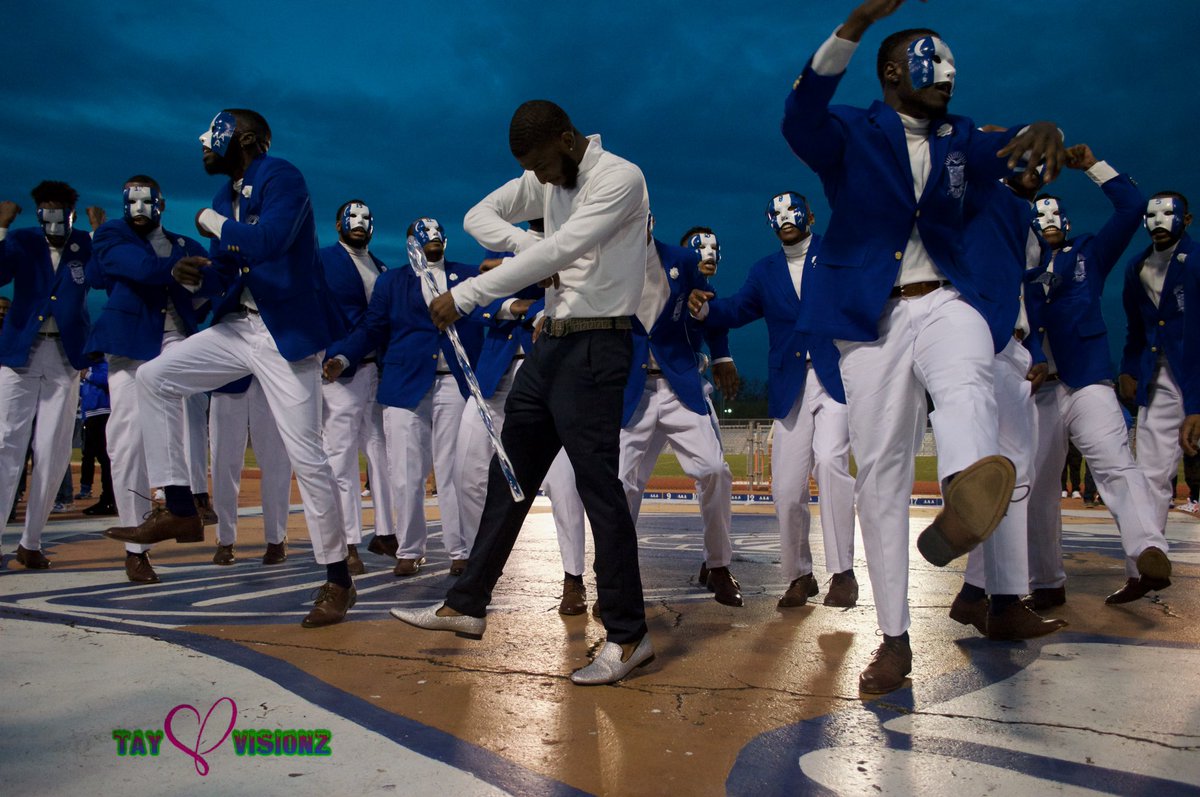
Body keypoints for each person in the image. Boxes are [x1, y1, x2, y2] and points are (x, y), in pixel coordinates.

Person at [782, 0, 1065, 693]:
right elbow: (799, 117)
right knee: (880, 474)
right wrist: (851, 28)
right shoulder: (850, 131)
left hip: (945, 296)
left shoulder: (960, 136)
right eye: (931, 62)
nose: (947, 74)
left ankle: (968, 491)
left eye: (952, 65)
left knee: (968, 378)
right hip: (870, 317)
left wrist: (1043, 132)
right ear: (890, 72)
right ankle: (895, 639)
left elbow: (1011, 152)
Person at [393, 100, 655, 686]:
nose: (537, 179)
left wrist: (468, 294)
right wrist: (525, 244)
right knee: (508, 476)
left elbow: (560, 251)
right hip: (551, 345)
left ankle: (629, 635)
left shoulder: (620, 178)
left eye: (540, 165)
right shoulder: (548, 179)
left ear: (566, 138)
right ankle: (467, 603)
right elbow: (477, 217)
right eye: (529, 171)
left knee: (598, 491)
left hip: (597, 345)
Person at [104, 109, 353, 626]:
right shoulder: (224, 198)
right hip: (239, 325)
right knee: (154, 377)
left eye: (213, 130)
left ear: (244, 138)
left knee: (307, 456)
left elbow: (270, 241)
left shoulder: (281, 175)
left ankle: (338, 579)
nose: (202, 139)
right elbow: (231, 268)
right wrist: (196, 275)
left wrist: (210, 223)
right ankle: (179, 504)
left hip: (284, 333)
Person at [690, 192, 858, 608]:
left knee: (831, 462)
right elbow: (736, 309)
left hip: (834, 376)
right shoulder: (764, 271)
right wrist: (702, 309)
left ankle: (843, 573)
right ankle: (800, 575)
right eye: (776, 213)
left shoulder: (835, 255)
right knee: (784, 487)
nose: (785, 217)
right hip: (789, 385)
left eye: (793, 210)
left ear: (810, 215)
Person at [1023, 145, 1171, 607]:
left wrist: (1092, 167)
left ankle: (1148, 551)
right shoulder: (1017, 264)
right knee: (1038, 488)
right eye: (1039, 214)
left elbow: (1131, 208)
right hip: (1038, 390)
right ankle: (1046, 583)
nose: (1048, 219)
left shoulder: (1089, 251)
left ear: (1067, 222)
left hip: (1087, 380)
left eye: (1055, 213)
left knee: (1114, 463)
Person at [324, 217, 483, 576]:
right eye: (423, 236)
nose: (433, 239)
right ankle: (410, 548)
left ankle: (461, 550)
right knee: (406, 472)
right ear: (410, 244)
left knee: (453, 469)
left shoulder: (468, 276)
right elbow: (372, 327)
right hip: (403, 384)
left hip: (453, 383)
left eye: (438, 234)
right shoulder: (392, 281)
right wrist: (344, 356)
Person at [946, 164, 1066, 640]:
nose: (1034, 168)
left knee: (1013, 474)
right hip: (985, 343)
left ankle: (979, 592)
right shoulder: (984, 198)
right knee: (1008, 474)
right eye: (1025, 156)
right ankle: (1002, 601)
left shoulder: (1021, 217)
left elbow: (1021, 290)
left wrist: (1032, 350)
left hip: (1011, 348)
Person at [85, 175, 215, 582]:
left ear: (161, 203)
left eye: (147, 201)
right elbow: (133, 267)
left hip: (175, 338)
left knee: (189, 403)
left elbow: (209, 286)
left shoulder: (185, 245)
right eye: (132, 201)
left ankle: (188, 499)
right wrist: (173, 271)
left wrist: (203, 284)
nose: (139, 209)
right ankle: (136, 549)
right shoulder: (111, 235)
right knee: (126, 443)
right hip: (129, 344)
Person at [618, 220, 742, 606]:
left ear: (649, 219)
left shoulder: (681, 260)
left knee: (714, 469)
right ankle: (615, 575)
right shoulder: (606, 260)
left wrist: (717, 347)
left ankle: (718, 565)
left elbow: (709, 308)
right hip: (632, 389)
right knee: (619, 482)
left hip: (679, 385)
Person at [0, 181, 93, 569]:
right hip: (21, 352)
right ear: (38, 213)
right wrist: (1, 227)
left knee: (53, 449)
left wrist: (101, 233)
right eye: (47, 212)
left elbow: (104, 278)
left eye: (61, 213)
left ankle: (31, 541)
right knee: (5, 443)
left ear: (72, 214)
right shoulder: (21, 240)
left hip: (64, 356)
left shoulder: (85, 243)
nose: (54, 221)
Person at [318, 200, 394, 574]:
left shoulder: (381, 267)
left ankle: (386, 532)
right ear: (338, 224)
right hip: (339, 372)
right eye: (352, 216)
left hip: (374, 370)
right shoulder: (323, 260)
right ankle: (347, 543)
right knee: (341, 459)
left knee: (381, 453)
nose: (360, 222)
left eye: (366, 217)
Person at [1119, 192, 1194, 535]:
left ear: (1187, 220)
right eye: (1152, 215)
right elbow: (1136, 327)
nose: (1158, 221)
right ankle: (1147, 558)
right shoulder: (1137, 267)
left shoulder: (1197, 262)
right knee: (1150, 474)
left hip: (1193, 370)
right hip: (1160, 374)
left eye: (1168, 213)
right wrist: (1129, 367)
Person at [208, 376, 291, 565]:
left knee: (276, 463)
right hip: (228, 379)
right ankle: (225, 540)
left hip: (269, 380)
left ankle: (277, 538)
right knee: (223, 464)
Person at [79, 360, 117, 516]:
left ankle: (109, 500)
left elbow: (107, 380)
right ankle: (108, 498)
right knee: (100, 458)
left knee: (106, 459)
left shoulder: (102, 362)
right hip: (92, 415)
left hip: (102, 414)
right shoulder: (92, 364)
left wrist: (87, 374)